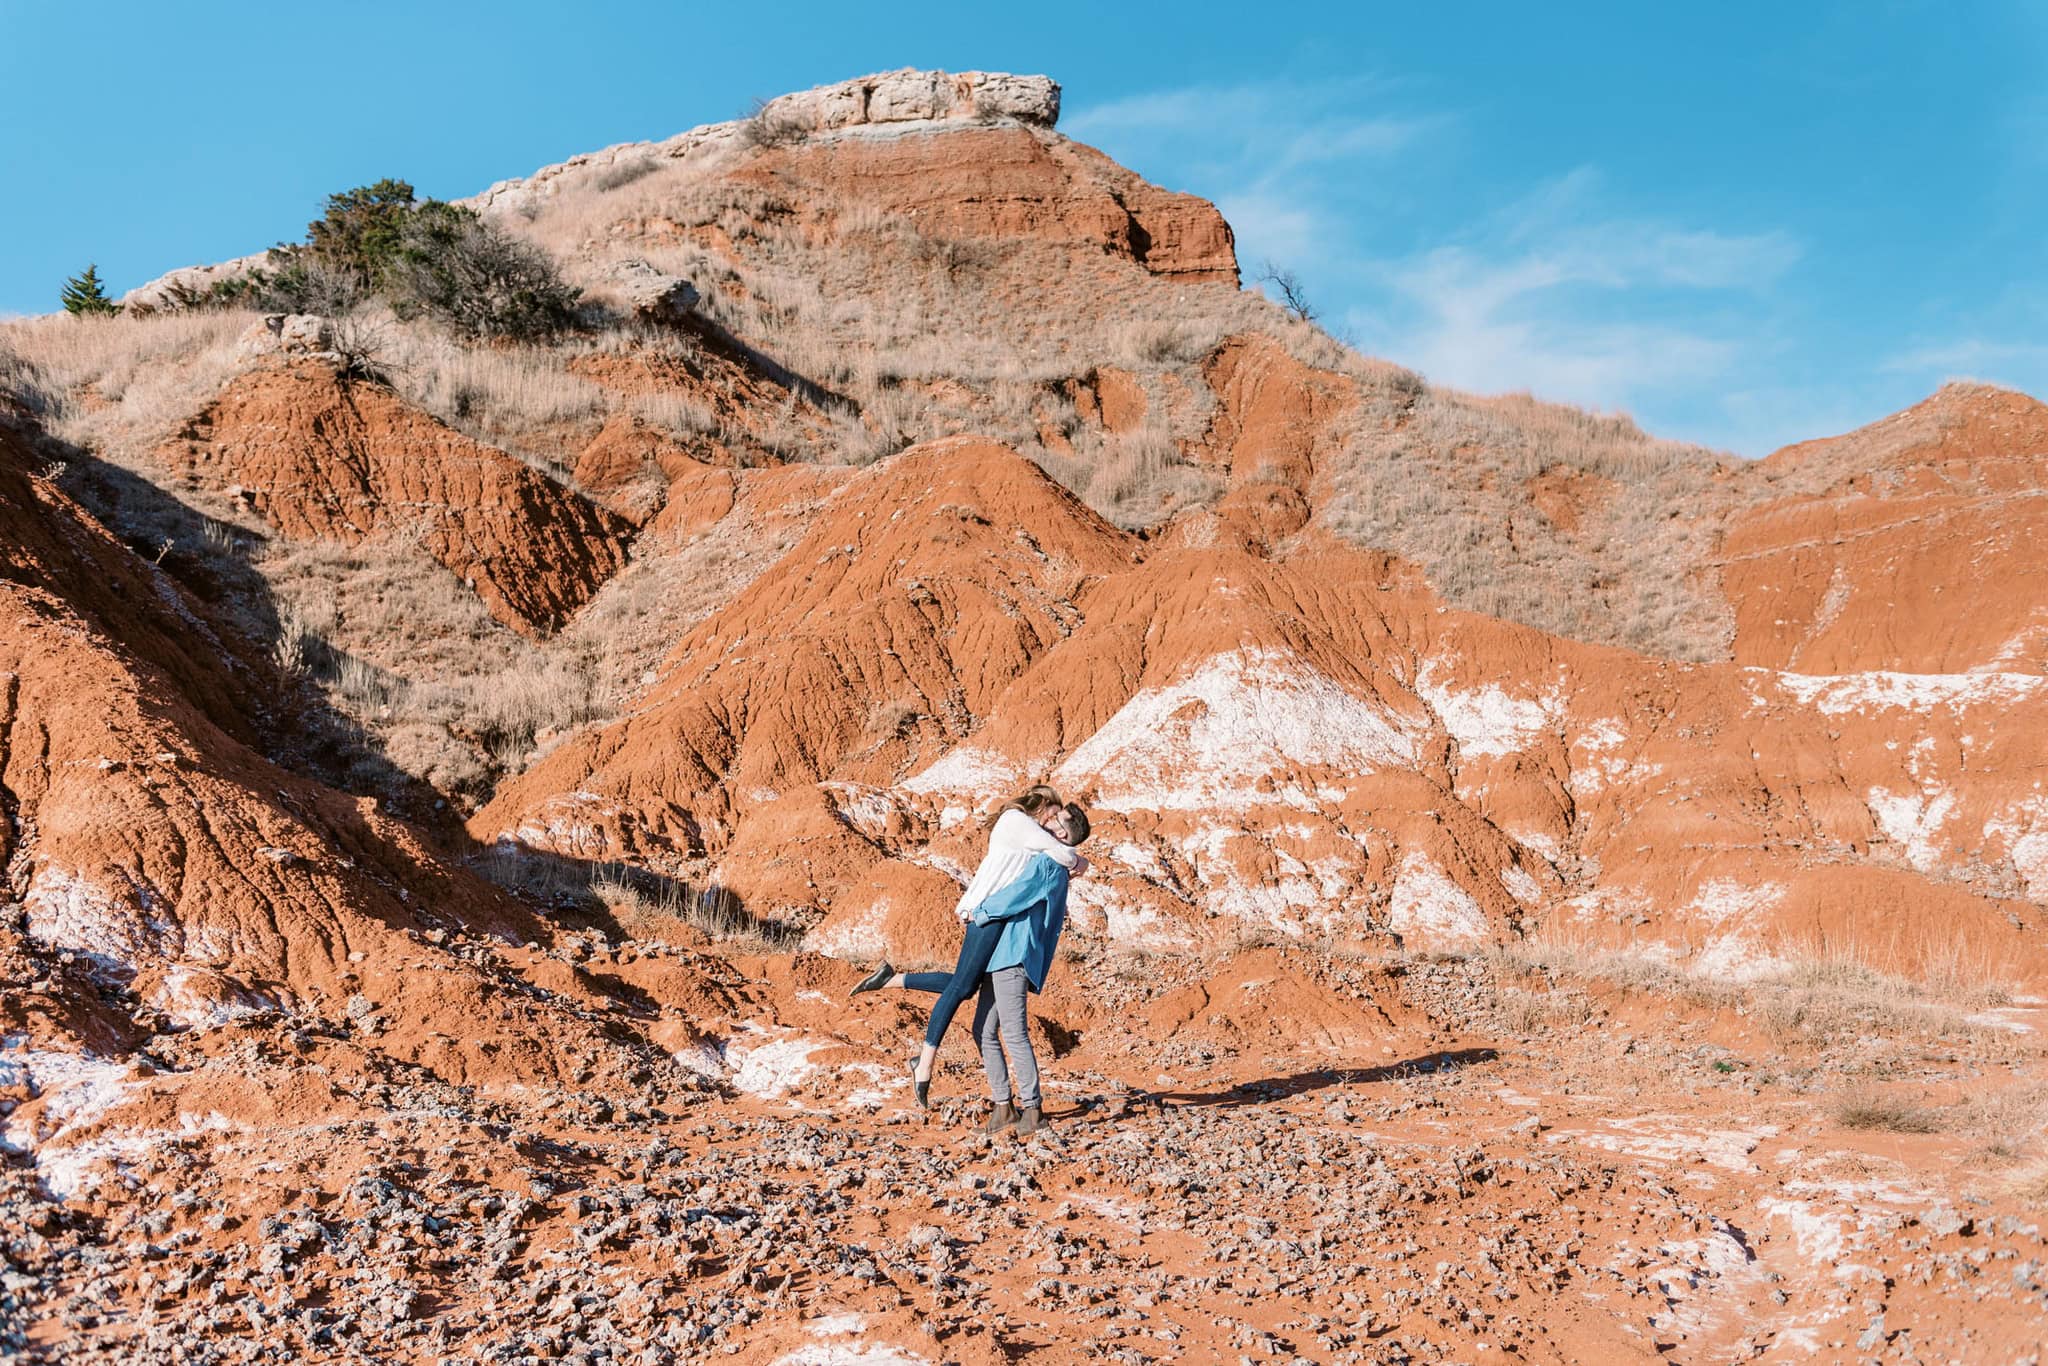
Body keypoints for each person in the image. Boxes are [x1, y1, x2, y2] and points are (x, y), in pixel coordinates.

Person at [849, 787, 1087, 1108]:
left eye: (1058, 820)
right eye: (1053, 813)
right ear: (1043, 807)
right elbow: (1067, 855)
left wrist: (1073, 857)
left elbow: (1056, 858)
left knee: (967, 983)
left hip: (992, 915)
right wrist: (1079, 859)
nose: (1052, 823)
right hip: (984, 914)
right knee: (962, 987)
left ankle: (891, 979)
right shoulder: (1016, 821)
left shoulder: (1034, 837)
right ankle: (925, 1062)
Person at [971, 800, 1089, 1135]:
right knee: (983, 1029)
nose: (1048, 823)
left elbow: (1015, 896)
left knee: (1013, 1032)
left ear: (1064, 835)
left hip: (1015, 953)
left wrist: (978, 911)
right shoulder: (1051, 860)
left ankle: (1033, 1110)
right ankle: (1003, 1106)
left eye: (1056, 823)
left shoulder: (1049, 865)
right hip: (1002, 952)